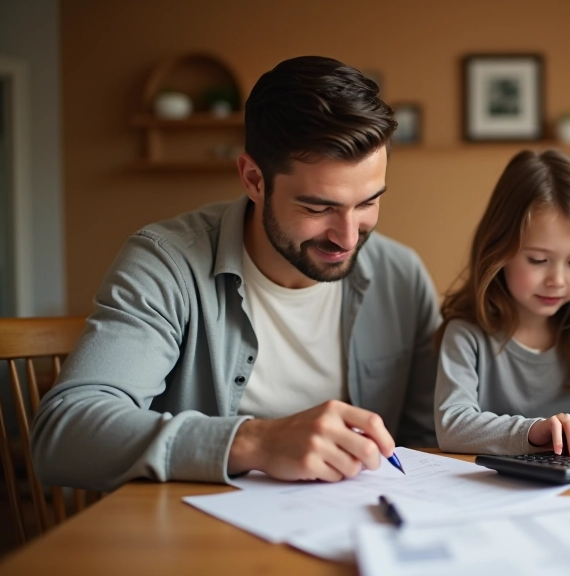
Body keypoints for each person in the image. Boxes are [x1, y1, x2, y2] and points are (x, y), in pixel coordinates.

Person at [32, 56, 441, 492]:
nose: (346, 237)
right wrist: (255, 441)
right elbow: (64, 435)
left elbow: (427, 440)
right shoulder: (166, 263)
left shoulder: (401, 276)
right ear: (253, 179)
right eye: (318, 208)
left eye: (367, 203)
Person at [434, 150, 570, 458]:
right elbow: (452, 424)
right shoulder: (465, 336)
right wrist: (533, 431)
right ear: (499, 251)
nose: (557, 279)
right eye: (538, 260)